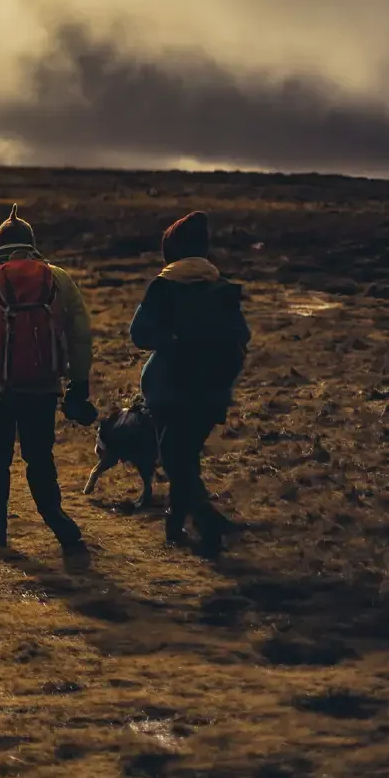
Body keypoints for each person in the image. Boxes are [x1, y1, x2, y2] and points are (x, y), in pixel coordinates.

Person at [0, 204, 97, 552]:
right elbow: (81, 335)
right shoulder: (58, 277)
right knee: (40, 458)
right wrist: (79, 383)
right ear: (32, 243)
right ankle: (60, 525)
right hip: (43, 387)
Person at [129, 210, 250, 556]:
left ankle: (208, 527)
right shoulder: (221, 288)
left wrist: (174, 340)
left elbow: (140, 334)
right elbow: (243, 335)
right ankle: (175, 527)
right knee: (185, 458)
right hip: (211, 392)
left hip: (169, 391)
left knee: (174, 459)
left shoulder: (164, 287)